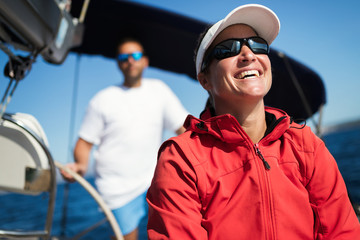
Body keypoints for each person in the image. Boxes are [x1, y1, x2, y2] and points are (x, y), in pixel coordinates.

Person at [146, 4, 360, 240]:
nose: (249, 54)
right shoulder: (181, 159)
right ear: (205, 80)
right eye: (228, 49)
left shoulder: (306, 145)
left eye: (258, 45)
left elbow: (342, 232)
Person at [61, 37, 188, 240]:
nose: (130, 60)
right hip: (116, 190)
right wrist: (80, 165)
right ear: (118, 63)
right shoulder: (102, 99)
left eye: (136, 55)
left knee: (172, 234)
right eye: (124, 57)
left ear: (145, 61)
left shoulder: (159, 90)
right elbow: (84, 144)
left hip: (156, 182)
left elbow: (184, 129)